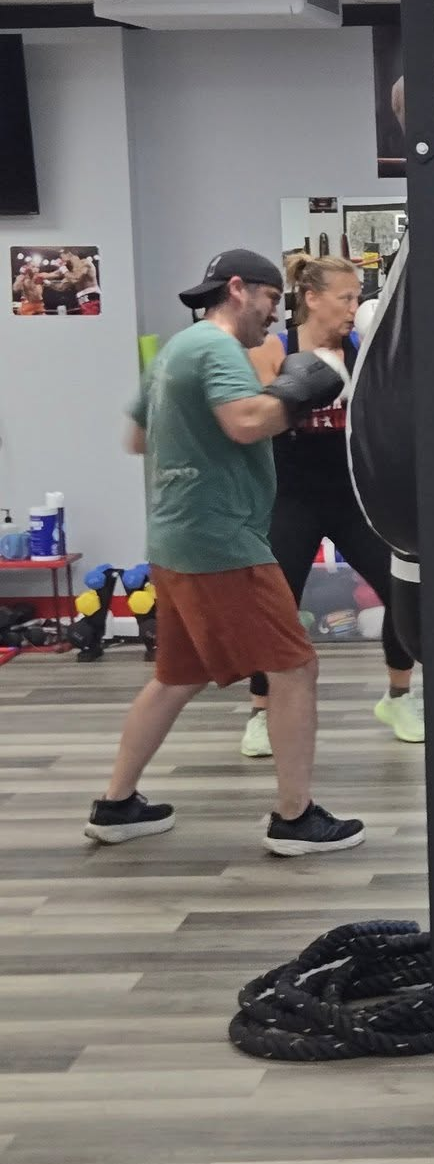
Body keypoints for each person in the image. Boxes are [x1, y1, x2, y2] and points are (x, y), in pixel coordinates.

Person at [84, 249, 365, 855]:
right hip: (220, 541)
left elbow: (136, 438)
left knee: (174, 677)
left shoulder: (173, 354)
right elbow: (244, 423)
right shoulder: (215, 348)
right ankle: (294, 817)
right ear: (238, 290)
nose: (273, 313)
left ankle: (116, 806)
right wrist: (301, 387)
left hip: (174, 536)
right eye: (269, 300)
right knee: (294, 667)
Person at [242, 253, 421, 756]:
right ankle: (260, 711)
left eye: (358, 297)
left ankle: (399, 696)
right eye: (346, 297)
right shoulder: (274, 348)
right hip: (291, 497)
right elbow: (256, 421)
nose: (354, 306)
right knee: (276, 606)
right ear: (312, 298)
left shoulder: (363, 345)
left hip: (352, 496)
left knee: (405, 593)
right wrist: (300, 389)